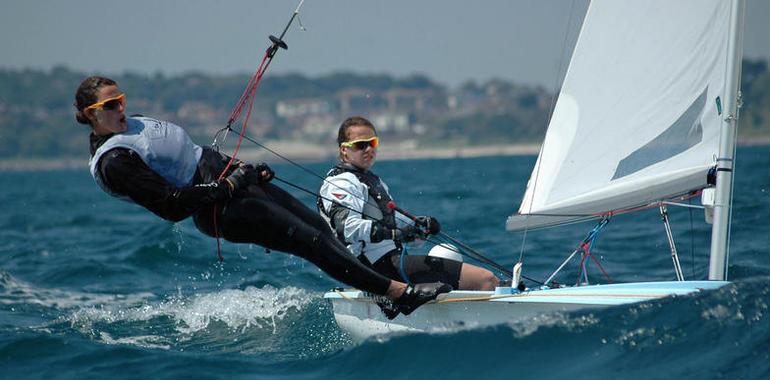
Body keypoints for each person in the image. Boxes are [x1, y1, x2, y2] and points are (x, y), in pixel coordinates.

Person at [74, 76, 450, 319]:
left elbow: (194, 155)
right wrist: (229, 186)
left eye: (119, 100)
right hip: (220, 208)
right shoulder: (115, 162)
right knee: (313, 242)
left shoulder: (132, 124)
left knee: (321, 228)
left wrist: (245, 170)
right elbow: (171, 205)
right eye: (108, 107)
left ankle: (378, 291)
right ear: (89, 116)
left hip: (230, 179)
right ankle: (400, 294)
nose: (119, 109)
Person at [318, 116, 500, 291]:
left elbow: (397, 224)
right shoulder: (342, 182)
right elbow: (347, 228)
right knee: (486, 279)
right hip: (373, 268)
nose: (368, 149)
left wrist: (420, 227)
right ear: (344, 150)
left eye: (372, 143)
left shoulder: (372, 181)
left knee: (452, 254)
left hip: (389, 261)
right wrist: (395, 233)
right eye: (360, 145)